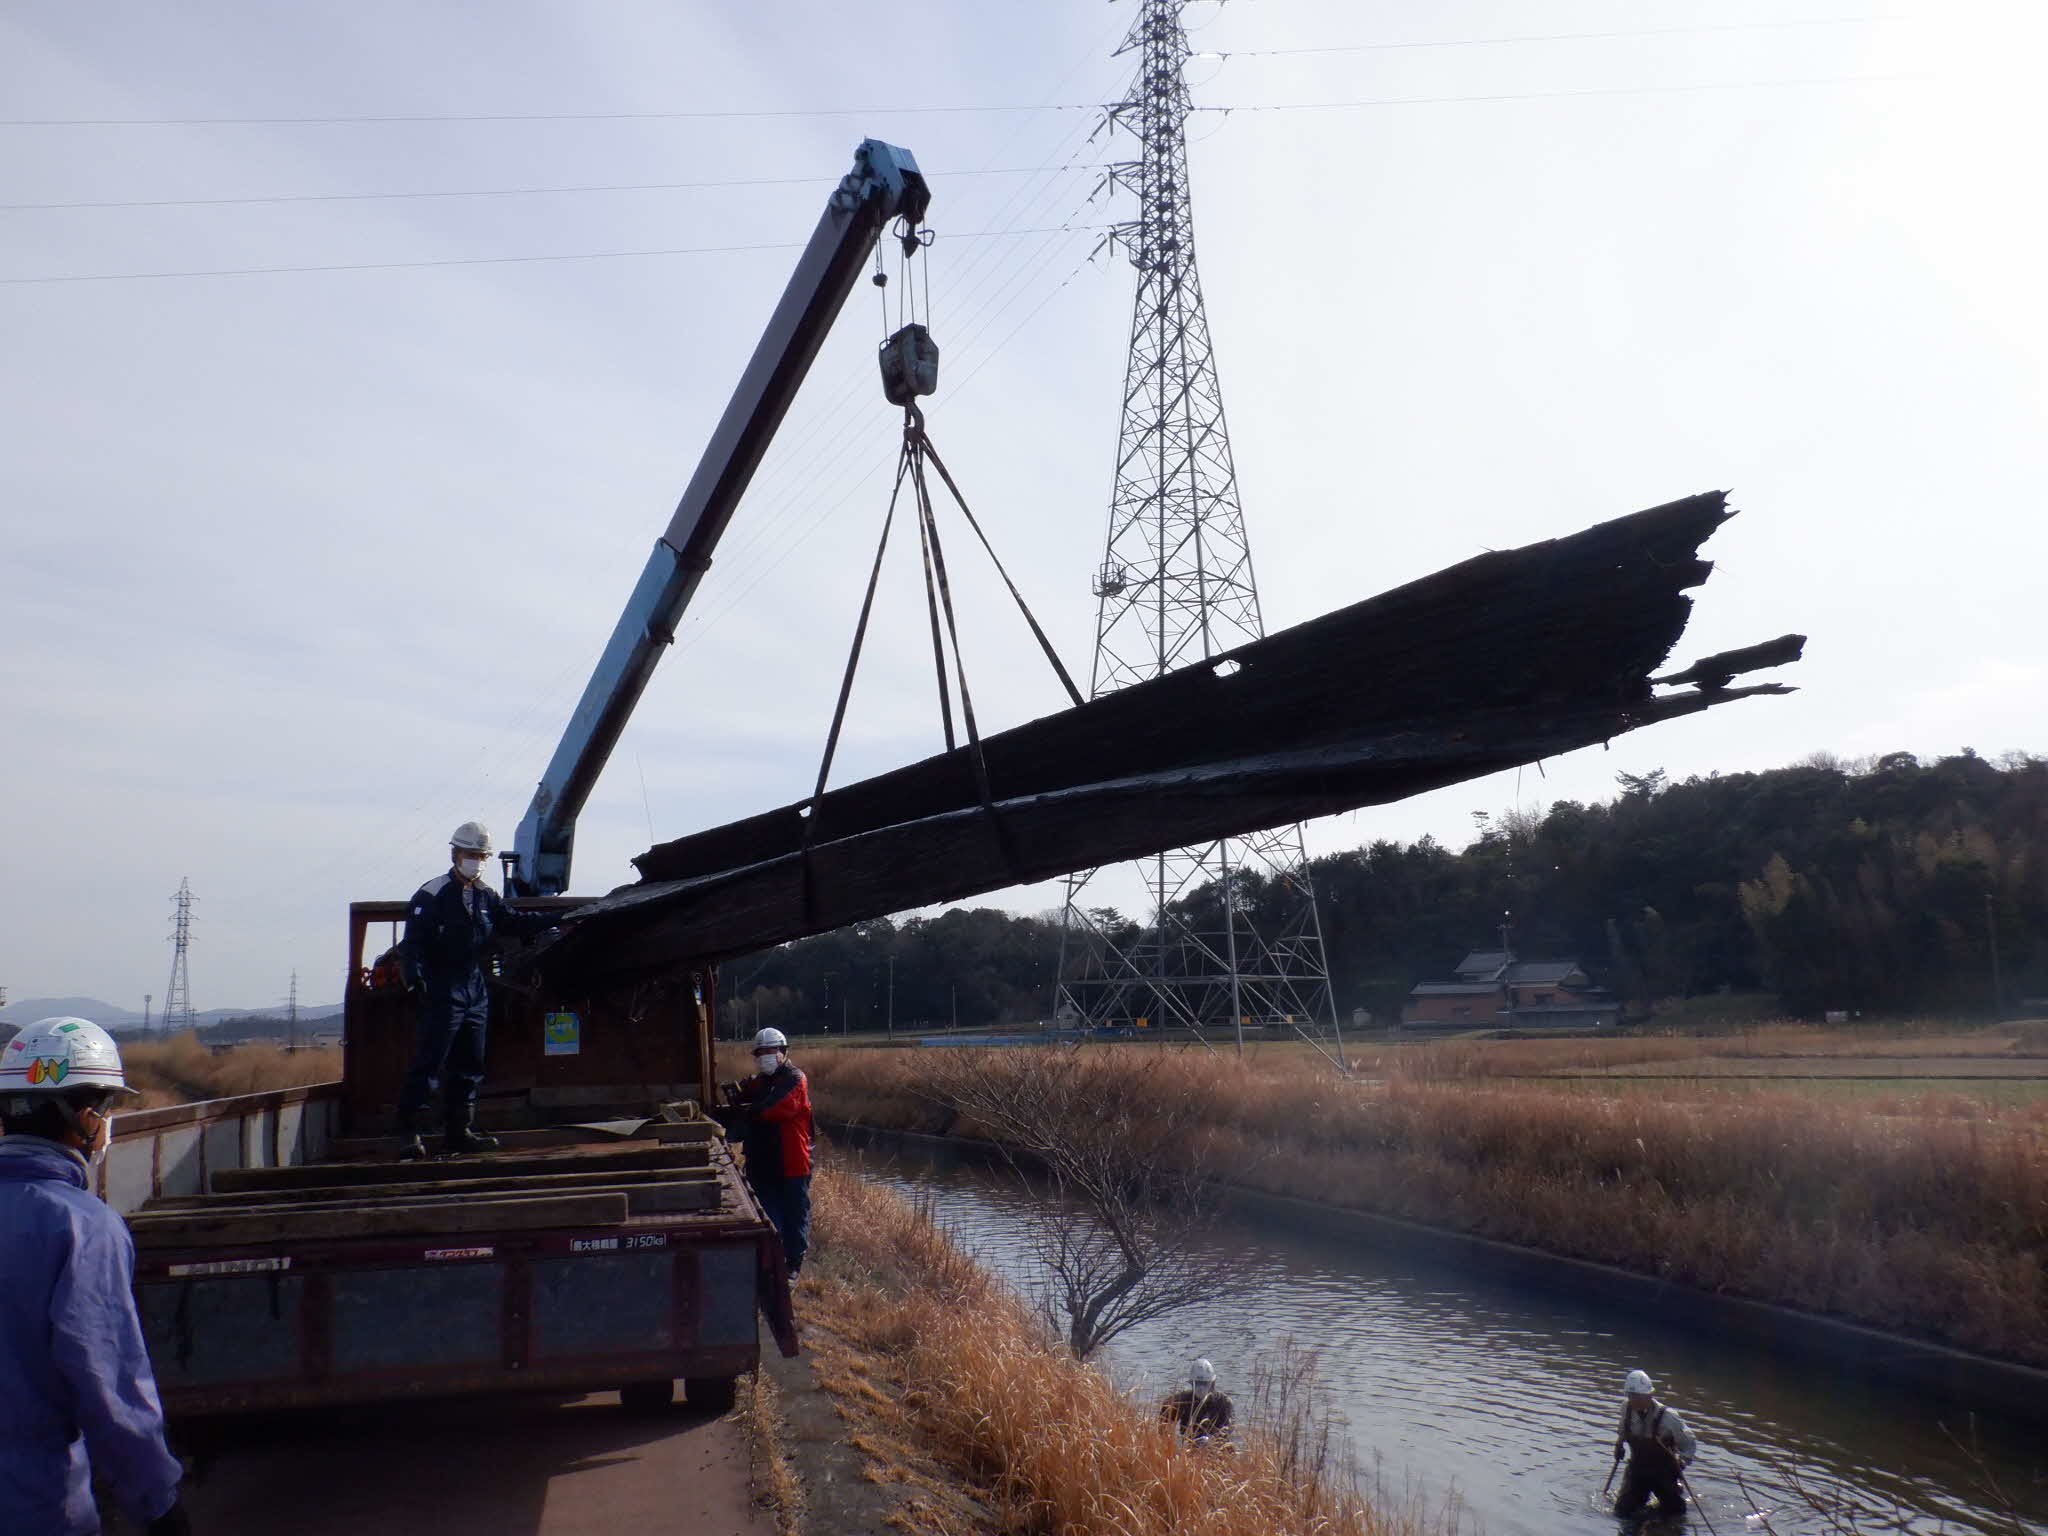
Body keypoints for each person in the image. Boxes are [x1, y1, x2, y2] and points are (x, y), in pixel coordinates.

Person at [0, 1017, 191, 1536]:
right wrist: (158, 1503)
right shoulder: (82, 1226)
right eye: (107, 1109)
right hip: (34, 1503)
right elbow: (110, 1385)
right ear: (86, 1117)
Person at [395, 820, 565, 1159]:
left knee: (470, 1063)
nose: (477, 860)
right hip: (443, 987)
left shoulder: (487, 895)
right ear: (456, 854)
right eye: (472, 854)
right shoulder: (432, 894)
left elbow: (513, 922)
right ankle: (409, 1135)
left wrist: (561, 917)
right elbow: (411, 943)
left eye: (482, 855)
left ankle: (459, 1131)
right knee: (430, 1062)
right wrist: (414, 979)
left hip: (474, 988)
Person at [727, 1028, 813, 1275]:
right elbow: (745, 1098)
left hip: (791, 1162)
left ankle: (793, 1264)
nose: (765, 1056)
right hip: (762, 1161)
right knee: (767, 1214)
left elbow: (774, 1109)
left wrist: (747, 1111)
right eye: (761, 1052)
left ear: (783, 1052)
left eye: (770, 1051)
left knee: (794, 1214)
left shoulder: (795, 1079)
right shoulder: (761, 1081)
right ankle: (772, 1263)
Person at [1611, 1368, 1698, 1518]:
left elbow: (1689, 1443)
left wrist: (1682, 1461)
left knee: (1675, 1514)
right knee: (1622, 1512)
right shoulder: (1626, 1408)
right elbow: (1623, 1430)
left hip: (1663, 1473)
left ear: (1650, 1395)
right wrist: (1619, 1445)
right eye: (1631, 1396)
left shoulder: (1668, 1417)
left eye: (1638, 1397)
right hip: (1637, 1470)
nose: (1634, 1401)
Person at [1160, 1358, 1233, 1443]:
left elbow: (1228, 1430)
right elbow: (1162, 1427)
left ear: (1212, 1384)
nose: (1201, 1389)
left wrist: (1211, 1441)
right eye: (1197, 1384)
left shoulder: (1224, 1402)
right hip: (1188, 1446)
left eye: (1205, 1384)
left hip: (1216, 1446)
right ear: (1192, 1383)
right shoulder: (1182, 1400)